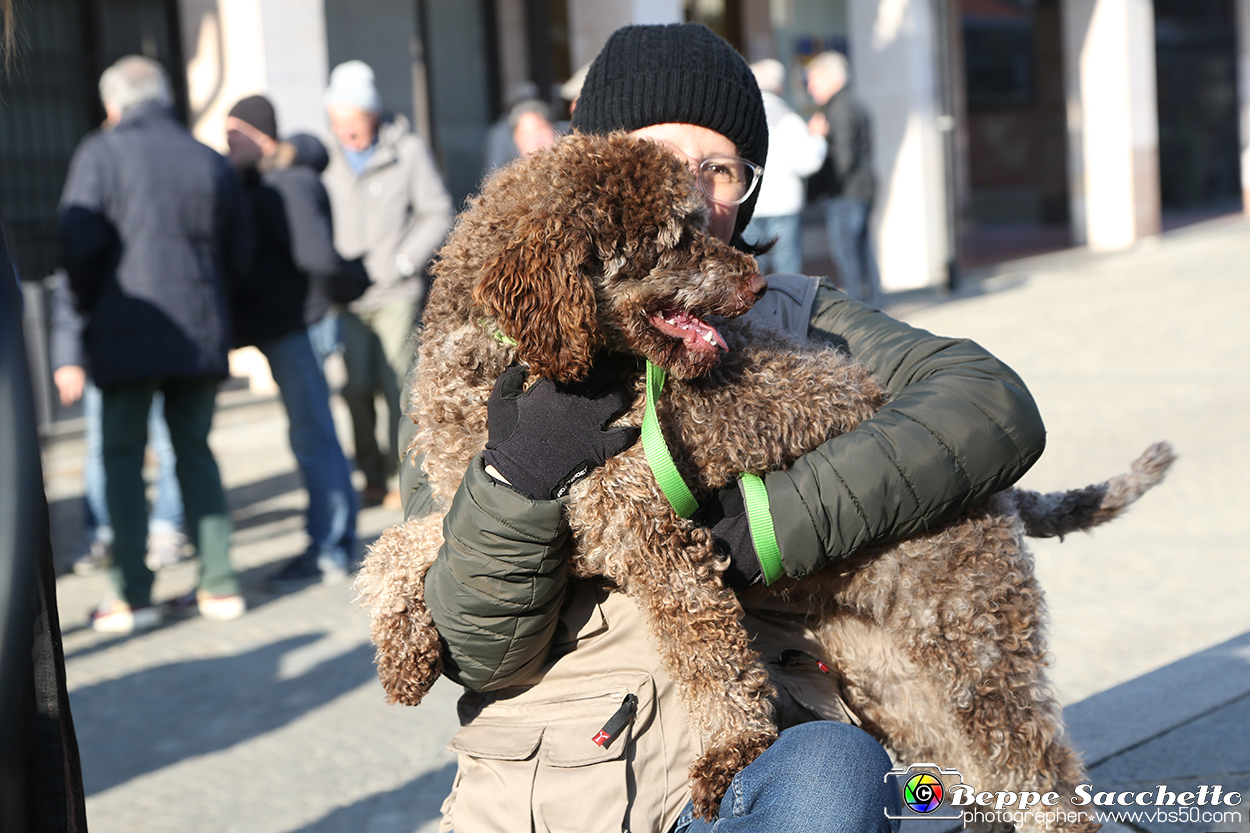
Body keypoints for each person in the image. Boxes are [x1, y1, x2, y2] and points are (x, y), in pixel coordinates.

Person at [403, 23, 1045, 833]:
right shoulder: (464, 353)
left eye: (721, 169)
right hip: (564, 793)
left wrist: (768, 528)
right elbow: (476, 649)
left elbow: (990, 404)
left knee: (839, 775)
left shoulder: (792, 311)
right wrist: (519, 479)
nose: (696, 198)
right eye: (665, 163)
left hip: (761, 778)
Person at [58, 55, 252, 633]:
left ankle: (133, 593)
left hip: (125, 330)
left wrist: (88, 313)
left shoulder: (101, 152)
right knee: (194, 449)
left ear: (114, 106)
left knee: (121, 456)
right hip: (199, 328)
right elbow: (240, 253)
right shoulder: (207, 159)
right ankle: (219, 582)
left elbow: (78, 243)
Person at [224, 95, 365, 588]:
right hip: (286, 324)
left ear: (262, 135)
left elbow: (319, 259)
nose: (227, 142)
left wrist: (328, 302)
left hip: (297, 324)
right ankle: (332, 541)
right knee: (313, 434)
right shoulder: (266, 180)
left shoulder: (288, 183)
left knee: (314, 437)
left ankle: (330, 548)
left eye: (235, 132)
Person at [321, 60, 454, 508]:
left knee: (399, 385)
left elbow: (437, 211)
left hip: (395, 291)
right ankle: (370, 474)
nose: (348, 138)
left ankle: (405, 480)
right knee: (355, 389)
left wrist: (403, 261)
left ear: (373, 117)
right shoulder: (326, 156)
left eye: (355, 128)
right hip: (348, 297)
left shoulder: (408, 150)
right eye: (340, 128)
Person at [49, 272, 188, 576]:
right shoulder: (94, 223)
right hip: (110, 345)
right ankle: (104, 533)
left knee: (167, 444)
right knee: (104, 446)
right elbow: (72, 281)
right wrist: (67, 355)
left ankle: (165, 529)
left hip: (170, 340)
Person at [806, 49, 882, 308]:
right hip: (860, 189)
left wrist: (818, 137)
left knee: (848, 254)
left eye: (815, 80)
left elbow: (844, 158)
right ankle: (874, 304)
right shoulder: (854, 103)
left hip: (848, 193)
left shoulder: (840, 108)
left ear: (833, 79)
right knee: (862, 251)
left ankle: (861, 308)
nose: (810, 87)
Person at [743, 58, 827, 276]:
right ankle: (787, 312)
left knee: (751, 273)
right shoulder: (789, 118)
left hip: (751, 204)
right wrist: (818, 138)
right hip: (784, 206)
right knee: (787, 273)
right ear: (779, 86)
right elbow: (808, 162)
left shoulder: (742, 117)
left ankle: (757, 312)